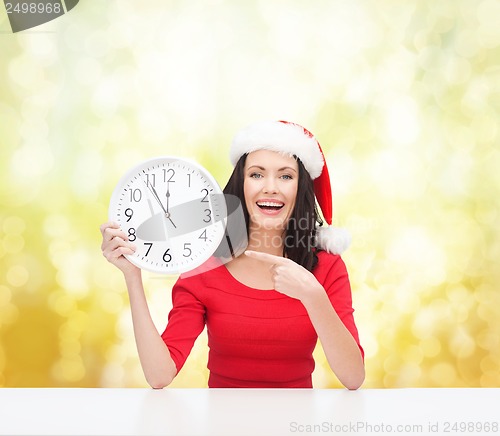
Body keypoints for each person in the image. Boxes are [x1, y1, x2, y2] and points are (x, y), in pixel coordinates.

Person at [100, 120, 365, 390]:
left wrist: (313, 296)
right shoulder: (204, 265)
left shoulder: (327, 266)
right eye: (257, 174)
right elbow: (159, 375)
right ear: (241, 183)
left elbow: (353, 378)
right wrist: (133, 275)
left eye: (285, 176)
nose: (270, 187)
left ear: (301, 188)